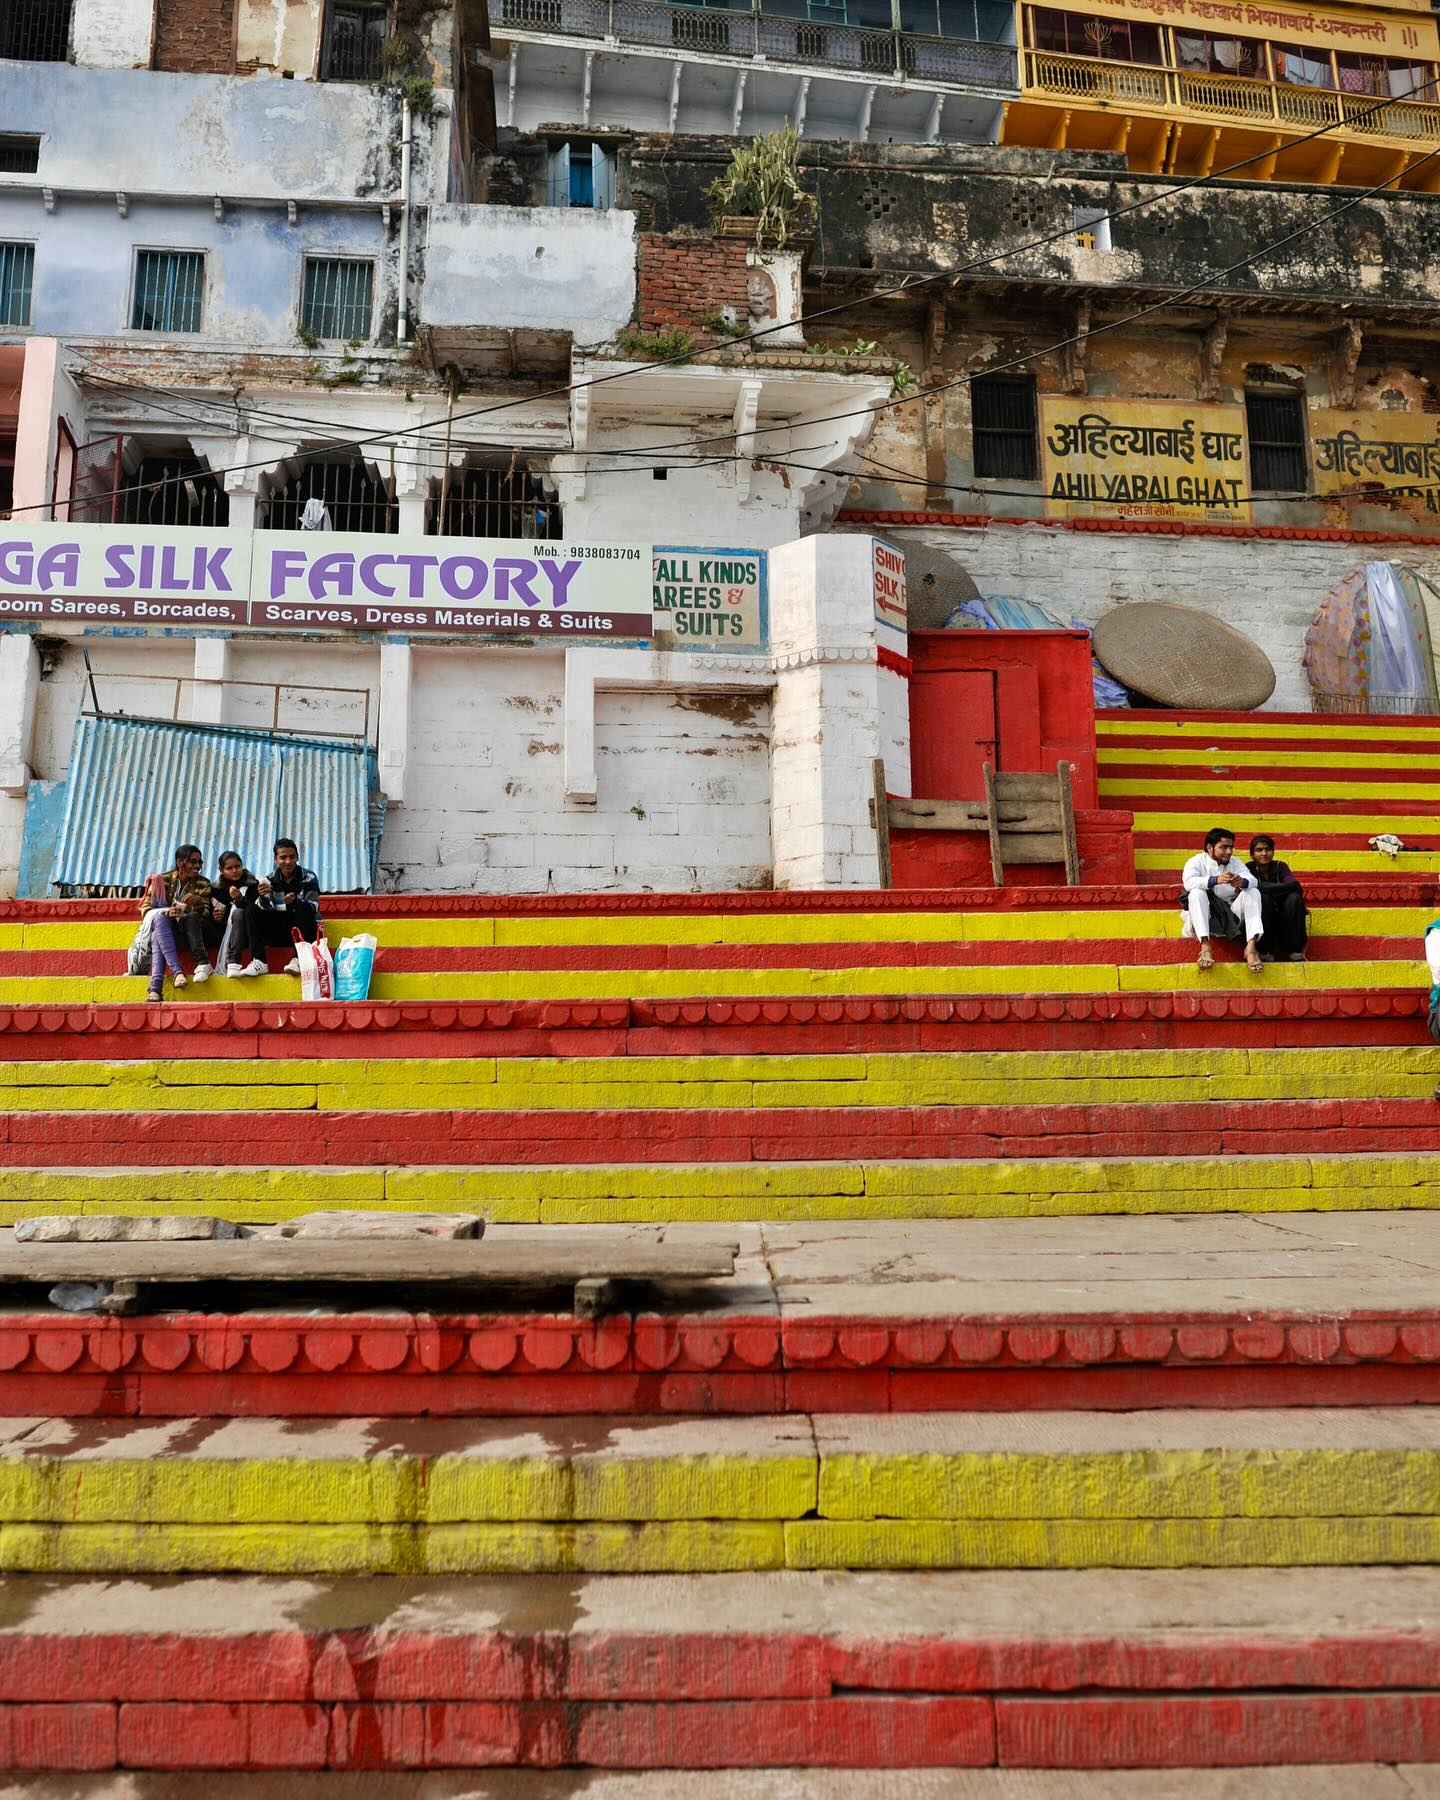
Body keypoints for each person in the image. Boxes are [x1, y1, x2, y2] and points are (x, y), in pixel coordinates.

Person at [1181, 826, 1265, 974]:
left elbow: (1252, 880)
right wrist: (1215, 880)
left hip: (1231, 913)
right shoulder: (1195, 862)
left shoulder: (1235, 862)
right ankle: (1205, 946)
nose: (1229, 852)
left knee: (1253, 891)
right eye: (1223, 847)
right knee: (1196, 893)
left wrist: (1242, 882)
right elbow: (1189, 882)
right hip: (1207, 915)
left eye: (1231, 847)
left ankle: (1251, 948)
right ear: (1210, 848)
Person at [139, 844, 213, 1003]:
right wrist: (167, 913)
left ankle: (156, 987)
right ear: (180, 862)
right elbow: (145, 909)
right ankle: (176, 973)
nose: (198, 866)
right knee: (159, 921)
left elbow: (206, 914)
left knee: (158, 932)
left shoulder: (203, 883)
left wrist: (198, 904)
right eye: (193, 862)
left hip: (188, 934)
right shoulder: (161, 880)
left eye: (200, 862)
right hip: (166, 932)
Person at [258, 838, 322, 975]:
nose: (288, 861)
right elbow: (267, 912)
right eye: (283, 857)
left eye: (292, 857)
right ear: (276, 860)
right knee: (252, 910)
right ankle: (258, 961)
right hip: (281, 931)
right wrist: (263, 898)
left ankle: (298, 959)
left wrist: (295, 903)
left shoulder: (309, 877)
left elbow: (313, 906)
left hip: (305, 929)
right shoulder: (268, 880)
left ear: (297, 857)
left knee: (302, 907)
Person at [1246, 835, 1307, 963]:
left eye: (1268, 849)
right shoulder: (1248, 868)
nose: (1264, 853)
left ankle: (1293, 949)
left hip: (1285, 916)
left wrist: (1264, 887)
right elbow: (1251, 890)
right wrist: (1280, 889)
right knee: (1264, 899)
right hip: (1263, 916)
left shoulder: (1280, 866)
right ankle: (1264, 950)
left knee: (1294, 898)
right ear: (1252, 854)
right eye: (1259, 850)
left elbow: (1295, 886)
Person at [211, 851, 270, 978]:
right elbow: (220, 918)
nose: (234, 870)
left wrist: (239, 899)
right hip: (225, 935)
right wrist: (217, 918)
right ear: (221, 870)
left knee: (239, 913)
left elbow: (254, 913)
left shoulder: (254, 884)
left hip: (250, 935)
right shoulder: (216, 889)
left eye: (237, 866)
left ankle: (233, 963)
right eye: (229, 868)